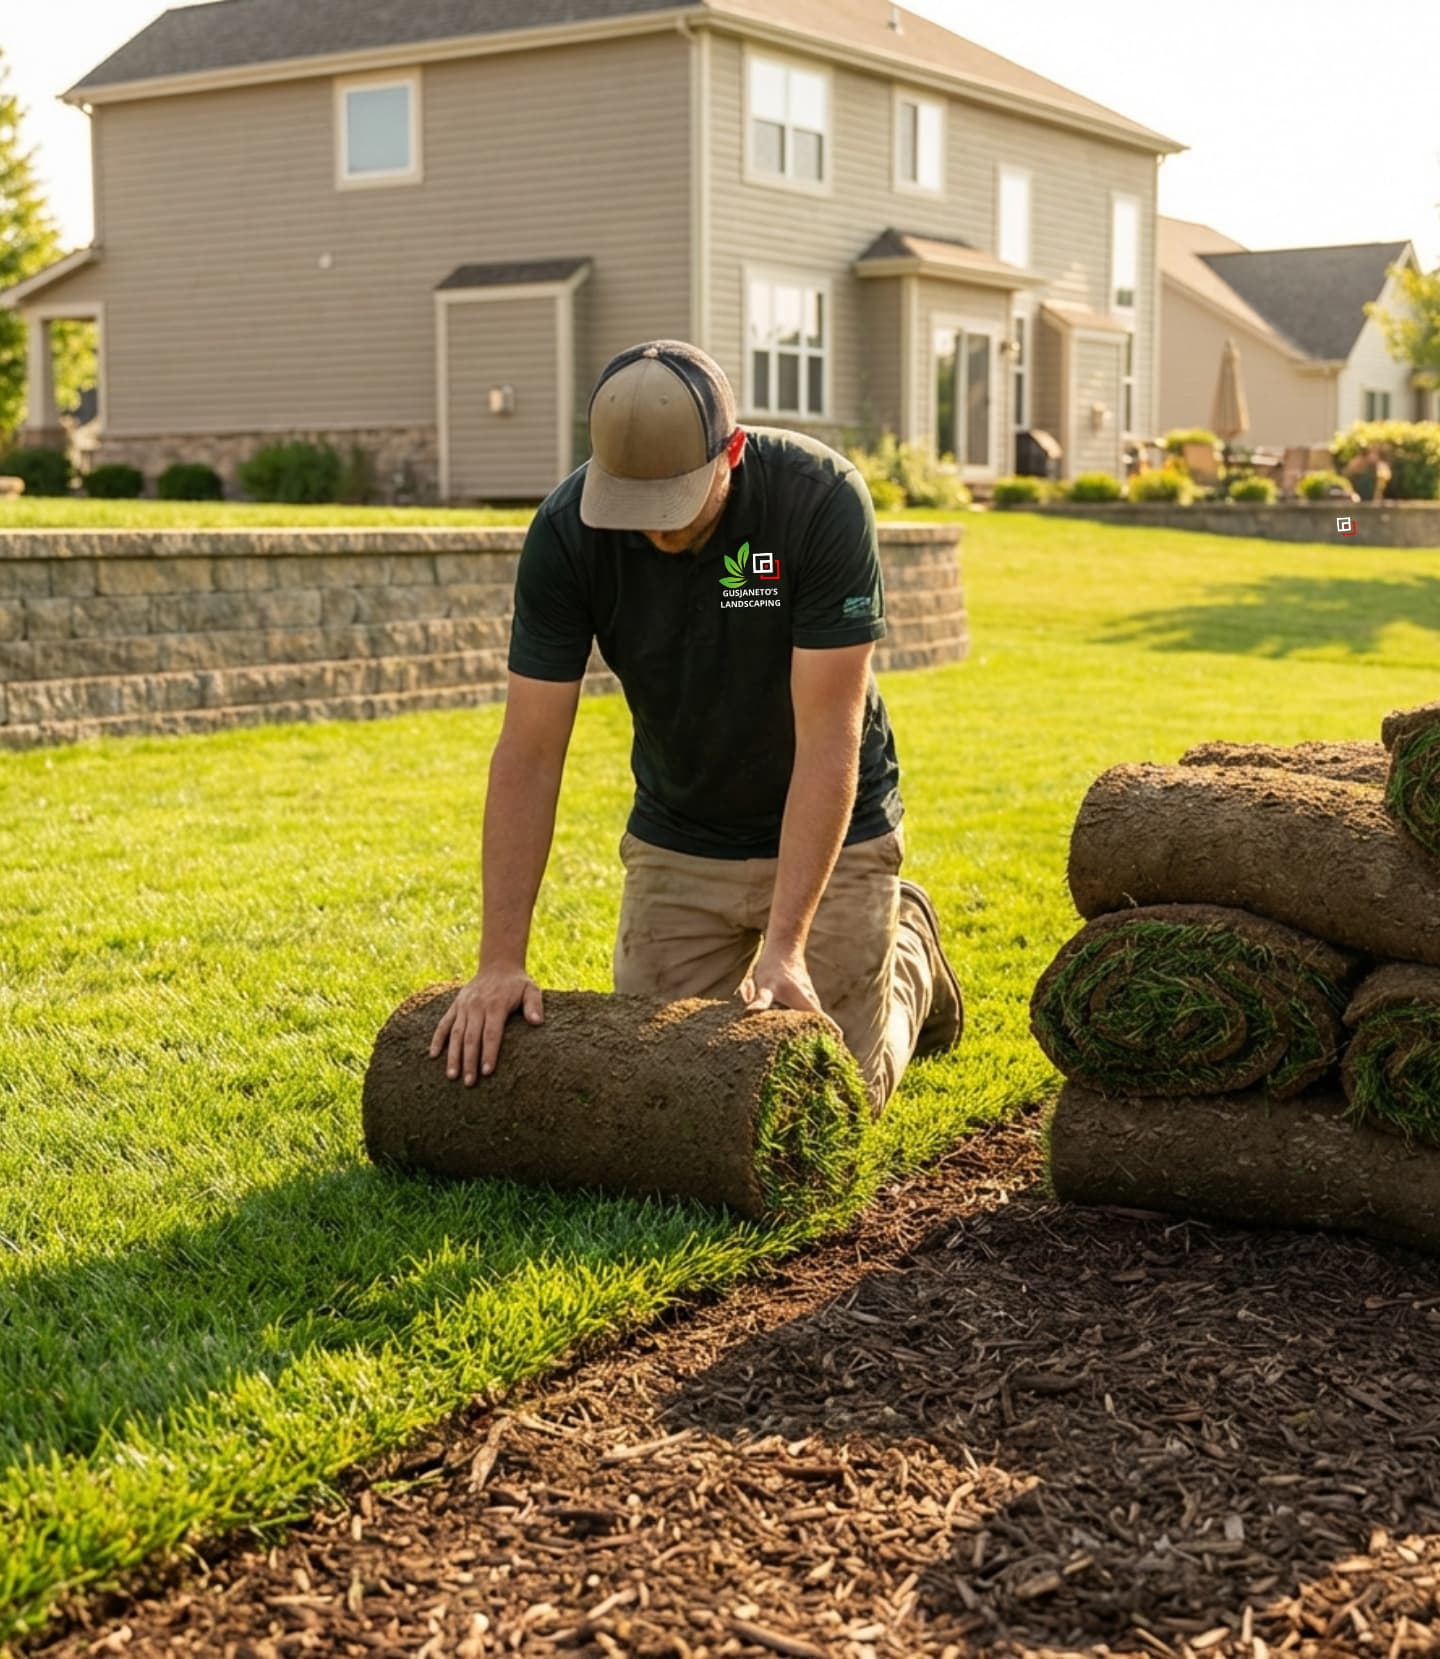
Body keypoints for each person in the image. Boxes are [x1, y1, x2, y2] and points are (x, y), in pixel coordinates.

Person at [428, 339, 962, 1114]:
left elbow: (829, 731)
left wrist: (787, 947)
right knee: (667, 1092)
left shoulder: (818, 500)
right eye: (633, 504)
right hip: (682, 829)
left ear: (732, 451)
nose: (655, 530)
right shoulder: (566, 533)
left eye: (673, 502)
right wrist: (498, 959)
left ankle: (906, 945)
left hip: (829, 831)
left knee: (834, 1100)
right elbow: (530, 752)